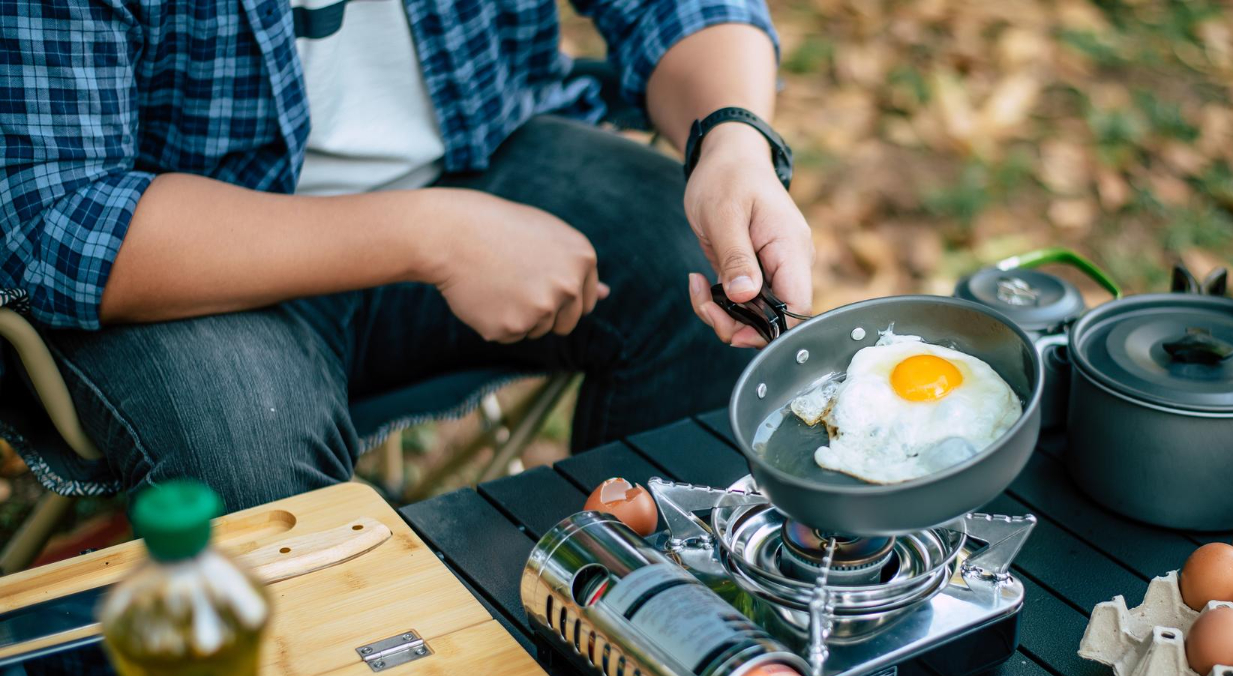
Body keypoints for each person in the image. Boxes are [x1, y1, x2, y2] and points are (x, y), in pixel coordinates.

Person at [0, 0, 813, 512]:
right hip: (197, 260)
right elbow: (62, 214)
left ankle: (642, 621)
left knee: (695, 280)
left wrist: (733, 139)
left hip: (480, 152)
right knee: (250, 459)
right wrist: (437, 236)